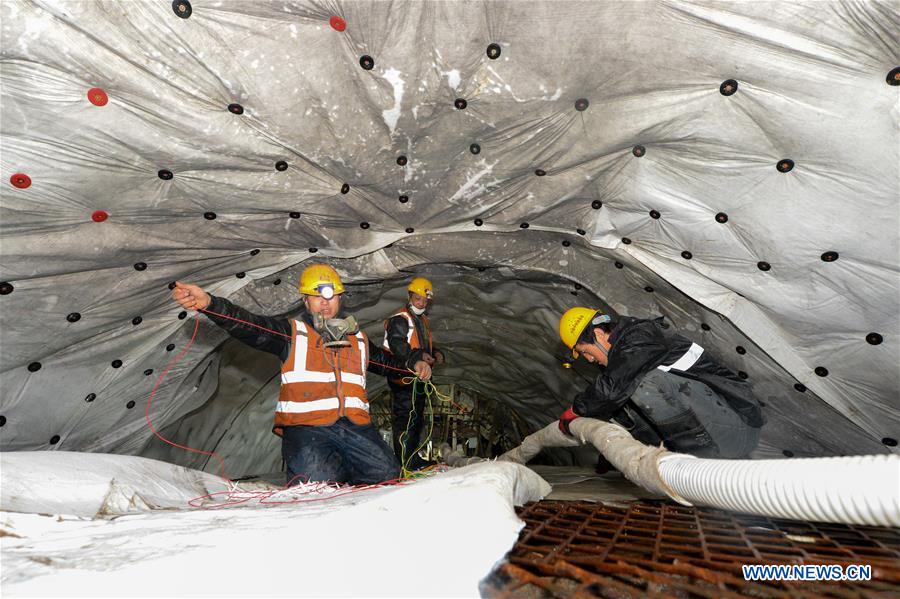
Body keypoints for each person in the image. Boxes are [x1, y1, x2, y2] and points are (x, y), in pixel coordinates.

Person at [171, 263, 432, 486]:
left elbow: (389, 363)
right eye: (317, 296)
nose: (325, 302)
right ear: (305, 300)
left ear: (340, 298)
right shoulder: (292, 334)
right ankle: (334, 471)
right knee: (316, 486)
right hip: (307, 428)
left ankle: (345, 470)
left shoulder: (359, 339)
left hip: (356, 428)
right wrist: (211, 304)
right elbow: (250, 325)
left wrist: (414, 364)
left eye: (331, 296)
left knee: (388, 477)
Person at [557, 307, 764, 458]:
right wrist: (612, 453)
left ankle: (698, 461)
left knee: (643, 383)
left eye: (585, 352)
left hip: (737, 426)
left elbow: (611, 389)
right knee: (620, 399)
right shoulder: (625, 358)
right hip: (714, 428)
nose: (589, 359)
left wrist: (576, 410)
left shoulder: (641, 336)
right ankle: (676, 458)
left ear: (599, 334)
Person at [382, 277, 445, 470]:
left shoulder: (421, 321)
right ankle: (404, 463)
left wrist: (436, 354)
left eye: (425, 301)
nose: (422, 303)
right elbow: (399, 346)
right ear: (409, 296)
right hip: (403, 377)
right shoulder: (400, 319)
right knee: (406, 419)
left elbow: (420, 346)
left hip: (416, 379)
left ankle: (411, 458)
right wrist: (418, 358)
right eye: (418, 299)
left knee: (415, 419)